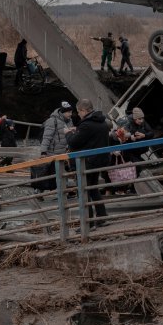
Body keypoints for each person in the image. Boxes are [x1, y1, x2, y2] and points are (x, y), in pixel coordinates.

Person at [66, 99, 110, 230]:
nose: (78, 114)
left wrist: (68, 133)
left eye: (79, 111)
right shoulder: (102, 122)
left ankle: (88, 223)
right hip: (99, 160)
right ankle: (102, 217)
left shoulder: (86, 125)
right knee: (92, 188)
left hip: (87, 162)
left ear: (84, 110)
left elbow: (73, 142)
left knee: (83, 191)